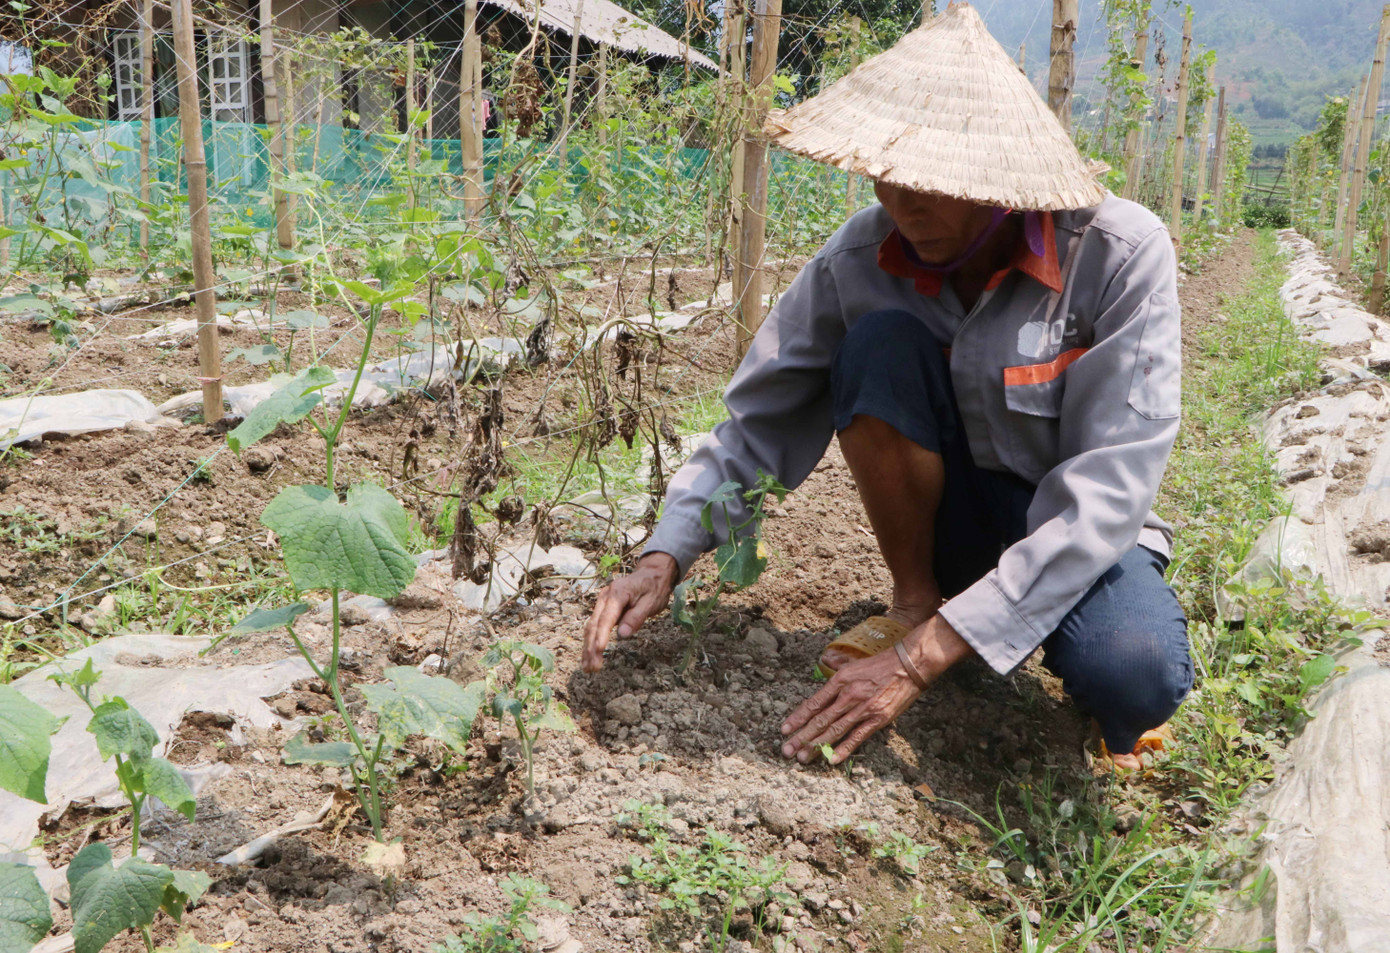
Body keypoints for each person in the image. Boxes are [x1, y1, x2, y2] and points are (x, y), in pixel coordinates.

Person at [581, 3, 1192, 772]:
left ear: (999, 181)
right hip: (954, 522)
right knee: (876, 346)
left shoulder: (1118, 255)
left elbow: (1108, 490)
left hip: (1077, 529)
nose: (902, 207)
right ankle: (918, 601)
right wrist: (663, 554)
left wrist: (914, 664)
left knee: (1133, 675)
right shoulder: (861, 259)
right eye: (886, 178)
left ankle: (1004, 644)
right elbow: (756, 421)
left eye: (930, 186)